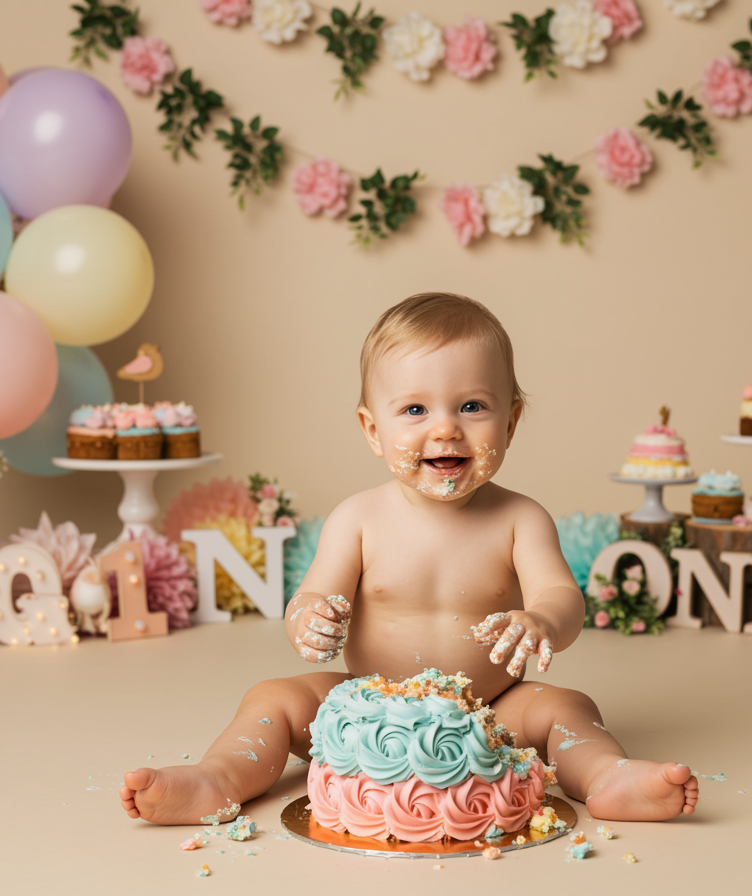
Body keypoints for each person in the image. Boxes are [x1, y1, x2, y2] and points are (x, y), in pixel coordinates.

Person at [120, 292, 698, 825]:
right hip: (368, 705)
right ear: (373, 430)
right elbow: (314, 593)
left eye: (472, 406)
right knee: (271, 698)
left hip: (491, 711)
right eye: (415, 411)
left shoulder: (521, 519)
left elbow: (562, 598)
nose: (445, 428)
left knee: (569, 707)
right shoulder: (358, 518)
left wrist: (542, 620)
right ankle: (216, 778)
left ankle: (606, 777)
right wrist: (311, 617)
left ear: (511, 422)